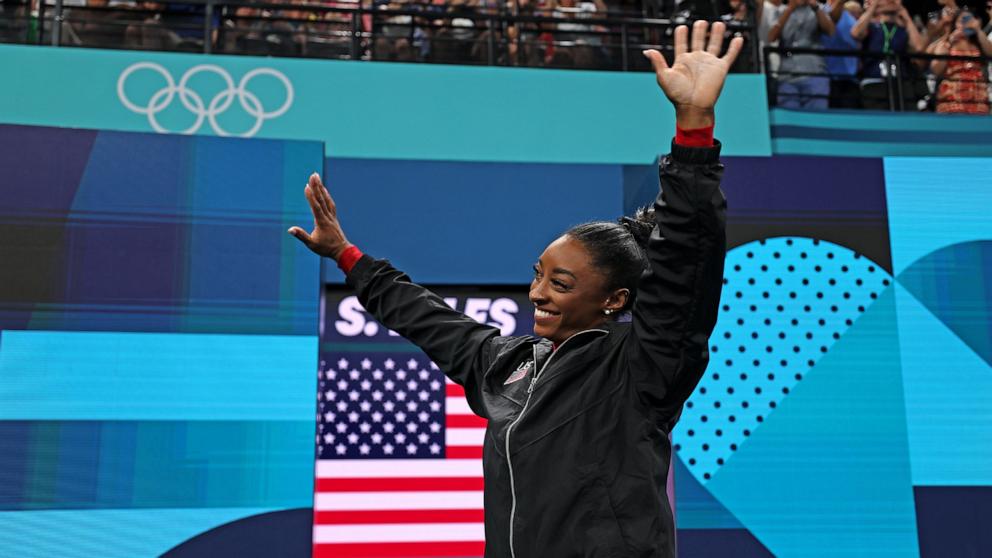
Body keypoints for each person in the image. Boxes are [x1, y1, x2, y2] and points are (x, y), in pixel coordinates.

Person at [290, 20, 740, 557]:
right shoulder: (508, 366)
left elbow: (687, 266)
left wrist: (693, 129)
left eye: (561, 283)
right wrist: (346, 254)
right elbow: (430, 320)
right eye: (538, 274)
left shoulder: (643, 367)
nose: (537, 293)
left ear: (614, 300)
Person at [850, 0, 926, 110]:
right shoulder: (872, 26)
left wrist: (906, 17)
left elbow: (919, 48)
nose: (892, 2)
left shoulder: (902, 29)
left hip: (900, 83)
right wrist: (873, 7)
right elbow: (855, 33)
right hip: (874, 82)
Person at [769, 0, 836, 110]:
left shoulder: (820, 9)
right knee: (789, 119)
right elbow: (771, 37)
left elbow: (831, 31)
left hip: (814, 73)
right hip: (787, 76)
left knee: (816, 119)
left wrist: (815, 8)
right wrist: (789, 9)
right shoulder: (780, 11)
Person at [930, 9, 992, 114]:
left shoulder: (979, 44)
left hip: (977, 97)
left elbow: (990, 53)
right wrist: (949, 42)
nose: (965, 24)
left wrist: (978, 30)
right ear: (955, 24)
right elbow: (936, 70)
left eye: (969, 20)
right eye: (962, 21)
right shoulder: (945, 43)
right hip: (953, 96)